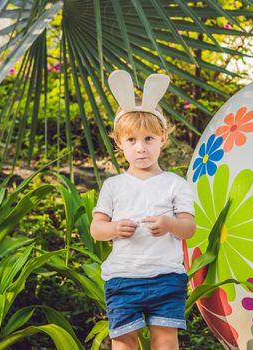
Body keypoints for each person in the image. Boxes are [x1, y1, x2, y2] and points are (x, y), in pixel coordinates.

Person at [90, 70, 196, 350]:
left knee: (165, 340)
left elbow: (189, 228)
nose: (141, 148)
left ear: (163, 138)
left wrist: (169, 224)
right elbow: (96, 229)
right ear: (119, 143)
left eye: (149, 139)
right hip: (123, 278)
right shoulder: (114, 185)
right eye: (132, 140)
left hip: (166, 278)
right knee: (123, 341)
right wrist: (113, 228)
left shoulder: (175, 183)